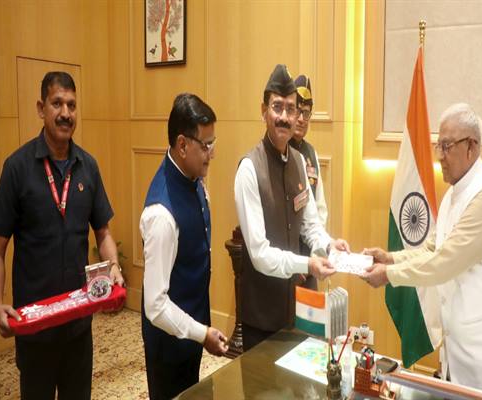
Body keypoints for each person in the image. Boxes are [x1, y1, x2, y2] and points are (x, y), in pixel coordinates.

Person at [361, 103, 482, 399]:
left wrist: (388, 274)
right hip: (462, 364)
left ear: (471, 147)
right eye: (437, 145)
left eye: (447, 146)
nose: (439, 155)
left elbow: (444, 263)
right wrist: (389, 257)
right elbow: (432, 248)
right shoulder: (455, 192)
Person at [0, 71, 123, 400]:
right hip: (35, 330)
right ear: (40, 108)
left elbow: (103, 232)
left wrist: (114, 266)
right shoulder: (17, 168)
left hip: (78, 326)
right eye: (57, 103)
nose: (65, 113)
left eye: (71, 105)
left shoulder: (88, 166)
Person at [234, 64, 350, 351]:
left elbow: (310, 224)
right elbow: (259, 254)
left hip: (298, 309)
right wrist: (307, 263)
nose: (285, 117)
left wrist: (328, 245)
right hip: (263, 314)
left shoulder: (299, 161)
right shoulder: (249, 169)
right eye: (277, 108)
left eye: (291, 109)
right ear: (264, 111)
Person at [140, 93, 228, 399]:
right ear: (182, 145)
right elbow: (155, 306)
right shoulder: (161, 216)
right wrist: (202, 333)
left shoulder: (193, 177)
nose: (211, 154)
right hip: (168, 346)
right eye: (206, 145)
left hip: (192, 334)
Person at [289, 74, 329, 290]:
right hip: (287, 259)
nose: (302, 119)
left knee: (311, 311)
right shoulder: (281, 151)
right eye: (297, 111)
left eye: (306, 113)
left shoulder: (310, 153)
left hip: (311, 256)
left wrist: (317, 252)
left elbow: (320, 208)